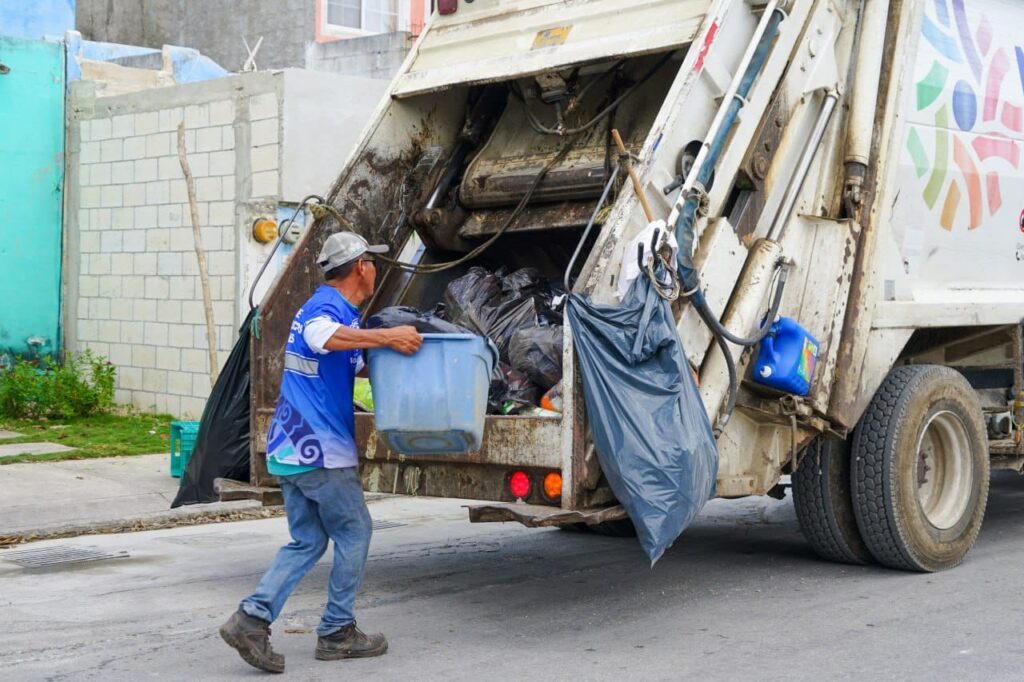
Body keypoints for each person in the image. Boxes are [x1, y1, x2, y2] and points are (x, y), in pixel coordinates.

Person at [220, 231, 422, 674]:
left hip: (290, 448)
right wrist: (387, 336)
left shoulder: (337, 311)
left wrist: (401, 355)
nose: (375, 269)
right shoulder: (324, 309)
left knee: (308, 539)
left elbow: (345, 357)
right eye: (372, 261)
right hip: (319, 450)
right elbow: (322, 337)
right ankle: (337, 632)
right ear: (360, 267)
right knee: (355, 532)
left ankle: (250, 619)